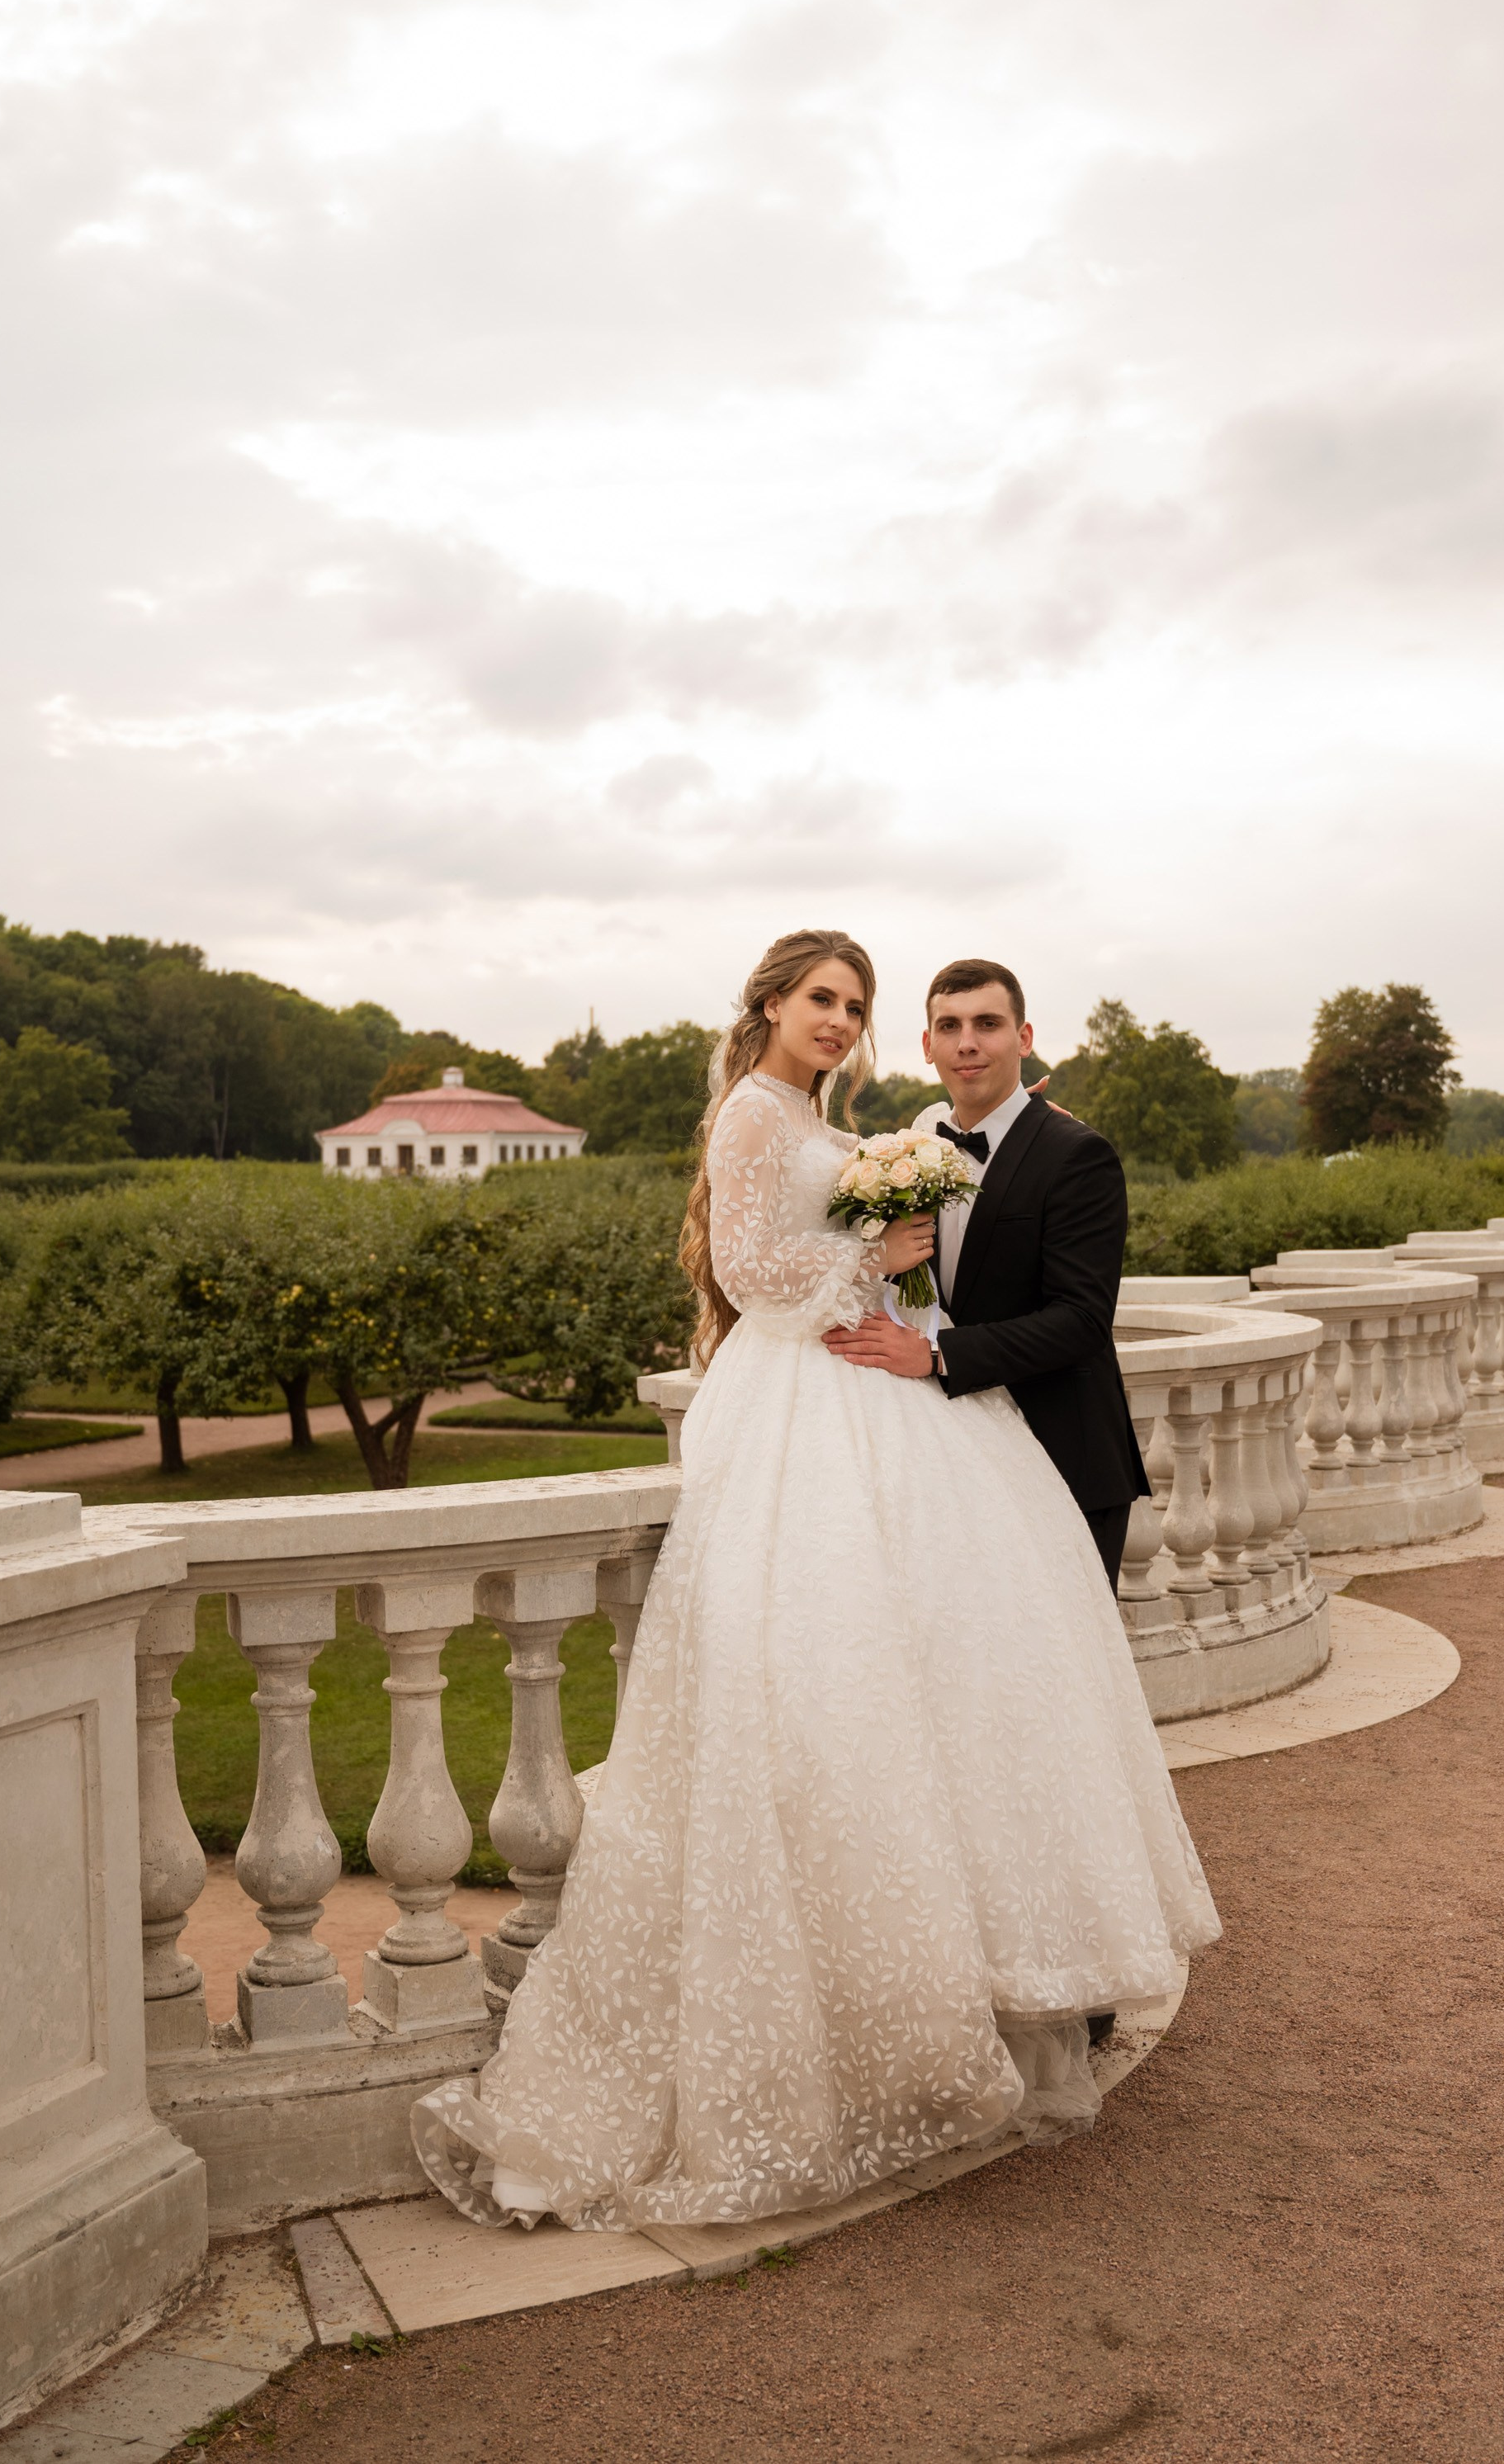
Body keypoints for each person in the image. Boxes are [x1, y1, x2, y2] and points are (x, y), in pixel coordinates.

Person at [411, 929, 1218, 2235]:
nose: (841, 1020)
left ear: (1017, 1037)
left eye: (856, 1004)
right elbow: (749, 1273)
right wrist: (874, 1262)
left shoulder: (892, 1130)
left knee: (944, 1693)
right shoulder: (756, 1113)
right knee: (823, 1697)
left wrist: (896, 1288)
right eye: (823, 1000)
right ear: (774, 1005)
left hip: (906, 1399)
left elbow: (1064, 1308)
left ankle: (1005, 1987)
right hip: (808, 1405)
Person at [823, 958, 1150, 1589]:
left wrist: (935, 1355)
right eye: (949, 1026)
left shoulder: (1078, 1154)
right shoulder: (911, 1150)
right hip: (952, 1465)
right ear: (928, 1045)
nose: (967, 1043)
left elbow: (1082, 1320)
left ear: (1023, 1038)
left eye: (988, 1024)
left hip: (1063, 1458)